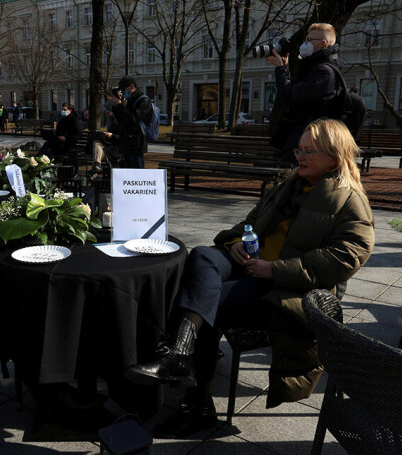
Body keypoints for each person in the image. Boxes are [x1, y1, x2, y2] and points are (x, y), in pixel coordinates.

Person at [125, 118, 375, 438]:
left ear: (335, 156)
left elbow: (348, 257)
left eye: (309, 151)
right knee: (202, 256)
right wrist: (237, 244)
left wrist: (276, 269)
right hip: (251, 265)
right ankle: (178, 354)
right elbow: (250, 224)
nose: (300, 156)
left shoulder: (350, 199)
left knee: (204, 302)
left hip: (285, 288)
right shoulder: (289, 184)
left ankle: (196, 403)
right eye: (299, 148)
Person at [267, 23, 342, 162]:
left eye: (310, 40)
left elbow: (289, 96)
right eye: (306, 39)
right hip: (306, 140)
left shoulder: (324, 72)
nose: (305, 44)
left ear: (322, 43)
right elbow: (293, 91)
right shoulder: (314, 67)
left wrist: (281, 69)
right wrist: (284, 67)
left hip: (313, 144)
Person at [109, 76, 152, 169]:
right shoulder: (130, 100)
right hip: (126, 143)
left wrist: (120, 106)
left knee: (137, 173)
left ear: (131, 86)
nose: (124, 93)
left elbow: (133, 119)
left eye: (124, 91)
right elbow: (121, 120)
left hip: (136, 143)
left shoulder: (143, 100)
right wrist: (116, 106)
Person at [92, 88, 122, 175]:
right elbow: (104, 106)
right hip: (112, 140)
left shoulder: (124, 119)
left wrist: (112, 135)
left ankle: (95, 172)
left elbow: (123, 137)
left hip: (118, 146)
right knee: (97, 142)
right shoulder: (111, 104)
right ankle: (97, 165)